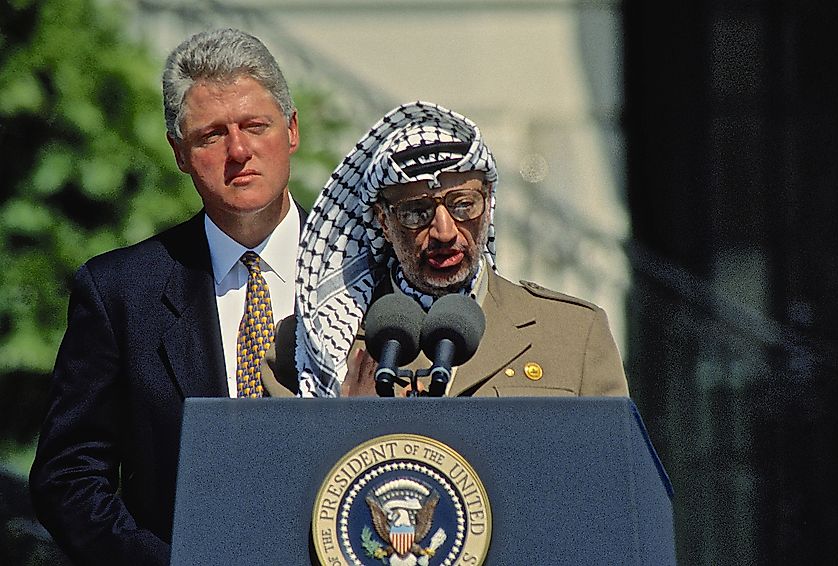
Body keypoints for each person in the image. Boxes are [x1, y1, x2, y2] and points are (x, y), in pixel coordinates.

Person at [29, 28, 303, 565]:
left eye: (255, 126)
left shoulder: (365, 275)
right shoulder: (119, 294)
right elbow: (68, 478)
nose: (239, 151)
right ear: (179, 153)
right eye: (211, 136)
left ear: (291, 130)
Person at [292, 101, 629, 398]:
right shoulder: (321, 342)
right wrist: (348, 424)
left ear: (489, 203)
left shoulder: (573, 333)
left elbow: (612, 465)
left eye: (464, 205)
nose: (444, 231)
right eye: (416, 212)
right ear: (382, 220)